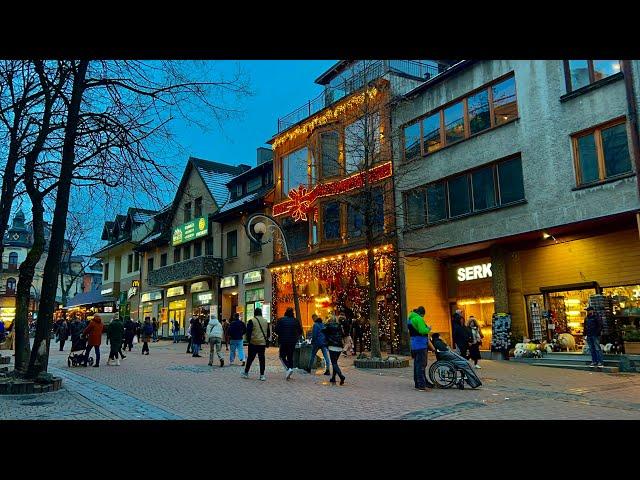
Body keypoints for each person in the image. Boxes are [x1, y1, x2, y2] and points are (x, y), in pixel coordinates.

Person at [273, 307, 302, 380]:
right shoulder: (296, 321)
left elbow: (276, 330)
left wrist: (281, 334)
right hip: (292, 342)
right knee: (290, 356)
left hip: (283, 341)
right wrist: (295, 336)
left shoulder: (281, 320)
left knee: (282, 356)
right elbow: (300, 331)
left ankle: (289, 368)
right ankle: (290, 371)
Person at [408, 306, 433, 391]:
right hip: (421, 345)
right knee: (421, 365)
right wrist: (428, 329)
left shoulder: (410, 318)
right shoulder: (418, 319)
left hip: (414, 345)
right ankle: (421, 385)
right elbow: (422, 331)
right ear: (421, 313)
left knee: (416, 365)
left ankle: (417, 384)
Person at [242, 308, 270, 381]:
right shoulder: (265, 321)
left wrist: (248, 340)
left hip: (253, 343)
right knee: (262, 359)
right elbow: (268, 333)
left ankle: (246, 373)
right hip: (262, 343)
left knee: (250, 358)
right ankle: (262, 375)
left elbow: (248, 332)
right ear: (261, 313)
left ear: (255, 313)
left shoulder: (252, 321)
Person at [323, 315, 346, 385]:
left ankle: (341, 376)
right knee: (335, 362)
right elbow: (343, 334)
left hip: (332, 346)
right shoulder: (340, 326)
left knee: (334, 363)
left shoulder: (329, 326)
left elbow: (323, 331)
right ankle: (333, 378)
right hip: (339, 347)